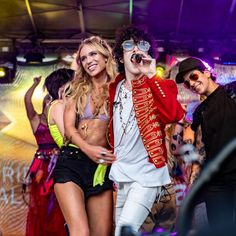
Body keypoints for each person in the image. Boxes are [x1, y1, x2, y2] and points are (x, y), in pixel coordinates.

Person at [108, 25, 184, 235]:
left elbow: (173, 115)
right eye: (128, 45)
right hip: (122, 173)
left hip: (147, 174)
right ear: (121, 58)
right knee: (120, 231)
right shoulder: (115, 87)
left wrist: (151, 75)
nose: (136, 49)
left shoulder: (160, 84)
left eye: (142, 45)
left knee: (125, 231)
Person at [53, 36, 117, 236]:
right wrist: (88, 149)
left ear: (106, 56)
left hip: (101, 168)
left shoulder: (120, 88)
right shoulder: (77, 88)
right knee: (80, 231)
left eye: (93, 54)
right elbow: (70, 130)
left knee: (102, 233)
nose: (88, 60)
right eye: (83, 58)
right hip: (72, 162)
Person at [175, 56, 236, 232]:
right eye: (187, 84)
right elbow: (190, 135)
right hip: (217, 183)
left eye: (193, 77)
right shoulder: (199, 111)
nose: (191, 84)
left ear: (207, 73)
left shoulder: (232, 91)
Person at [24, 76, 66, 236]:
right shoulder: (36, 120)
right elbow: (27, 100)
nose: (49, 103)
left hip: (59, 166)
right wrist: (34, 84)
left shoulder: (60, 120)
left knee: (58, 206)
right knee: (41, 206)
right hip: (42, 168)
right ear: (43, 104)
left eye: (51, 101)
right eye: (47, 101)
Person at [44, 68, 74, 148]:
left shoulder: (64, 105)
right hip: (72, 157)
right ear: (61, 87)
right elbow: (68, 137)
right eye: (72, 81)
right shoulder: (58, 106)